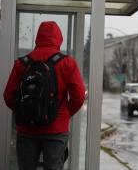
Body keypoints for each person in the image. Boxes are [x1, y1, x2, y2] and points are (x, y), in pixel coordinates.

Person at [3, 21, 85, 170]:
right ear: (59, 38)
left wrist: (25, 111)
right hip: (56, 129)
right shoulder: (67, 63)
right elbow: (78, 97)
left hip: (26, 129)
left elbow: (8, 96)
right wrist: (64, 114)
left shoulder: (22, 63)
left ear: (38, 38)